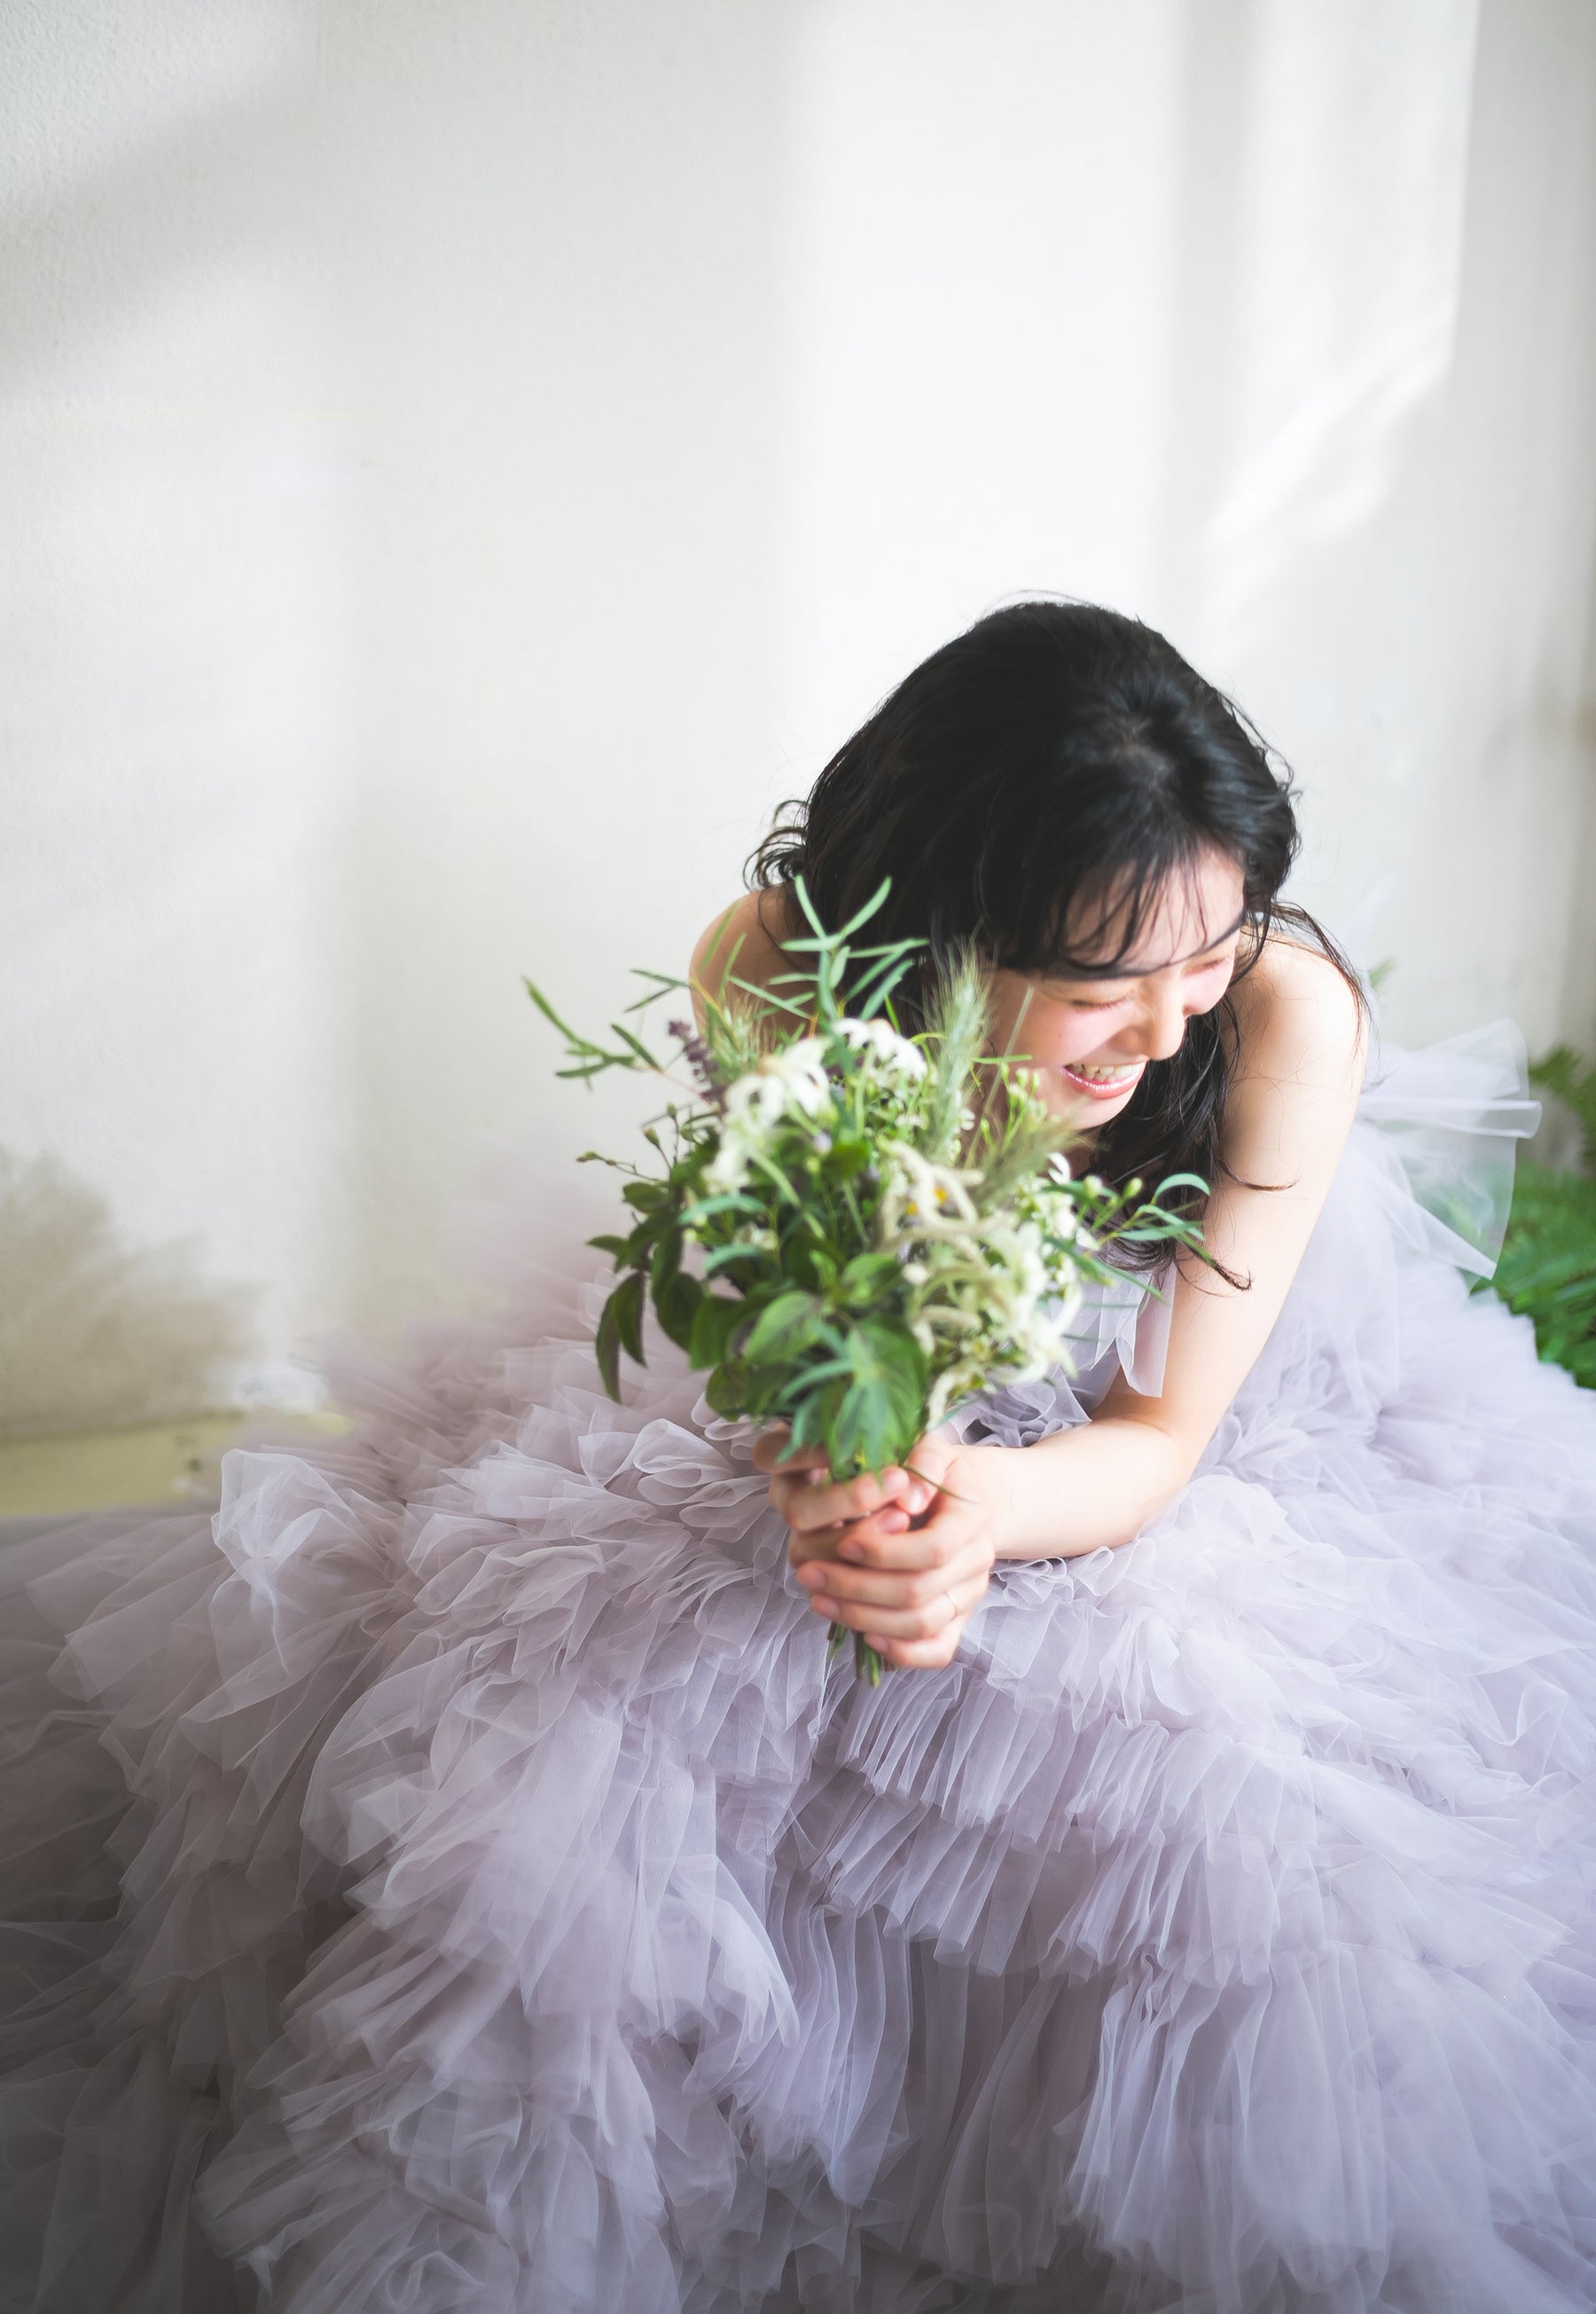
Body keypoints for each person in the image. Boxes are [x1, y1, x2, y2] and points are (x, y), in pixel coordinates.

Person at [3, 600, 1593, 2314]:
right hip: (873, 1370)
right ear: (939, 937)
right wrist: (834, 1466)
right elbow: (801, 1317)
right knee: (564, 1783)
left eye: (1204, 955)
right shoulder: (773, 967)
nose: (1160, 1029)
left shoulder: (1285, 1017)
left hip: (1196, 1438)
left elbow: (1156, 1439)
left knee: (1256, 1869)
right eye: (1097, 986)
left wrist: (978, 1511)